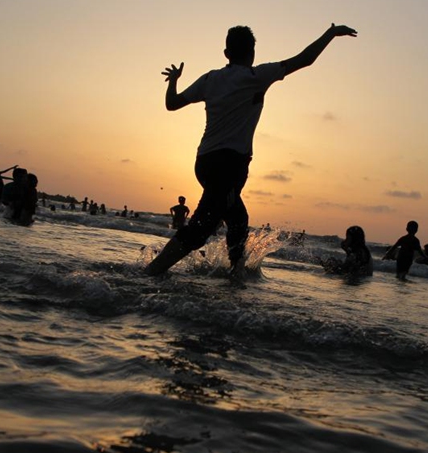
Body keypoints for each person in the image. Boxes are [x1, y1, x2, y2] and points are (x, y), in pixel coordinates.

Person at [145, 23, 357, 276]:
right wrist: (330, 34)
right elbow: (305, 59)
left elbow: (172, 104)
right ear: (253, 51)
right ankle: (153, 271)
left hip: (205, 162)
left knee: (238, 219)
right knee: (202, 227)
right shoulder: (257, 76)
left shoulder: (210, 79)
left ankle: (236, 274)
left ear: (226, 53)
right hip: (230, 164)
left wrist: (174, 82)